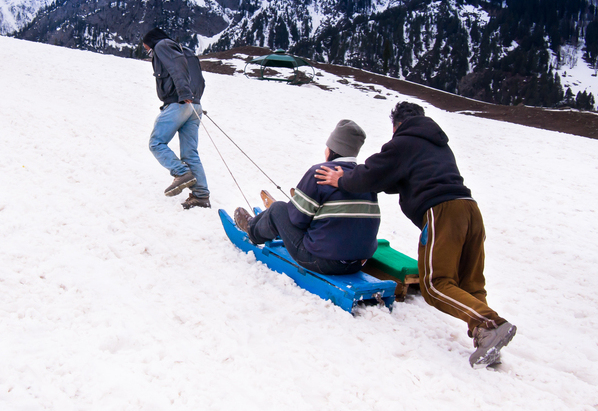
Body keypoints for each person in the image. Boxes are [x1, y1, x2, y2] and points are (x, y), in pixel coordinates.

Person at [314, 102, 516, 368]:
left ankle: (491, 324)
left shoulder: (403, 143)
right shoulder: (437, 143)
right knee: (471, 284)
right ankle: (487, 337)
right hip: (470, 210)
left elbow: (371, 174)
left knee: (434, 284)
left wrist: (340, 180)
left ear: (396, 125)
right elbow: (396, 178)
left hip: (443, 212)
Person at [233, 120, 380, 275]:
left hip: (323, 261)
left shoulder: (320, 172)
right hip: (358, 262)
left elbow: (297, 219)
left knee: (278, 209)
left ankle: (252, 230)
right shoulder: (363, 178)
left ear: (333, 149)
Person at [142, 28, 210, 209]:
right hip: (194, 105)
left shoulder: (162, 45)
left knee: (156, 143)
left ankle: (182, 173)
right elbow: (200, 80)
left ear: (153, 42)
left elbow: (176, 67)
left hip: (178, 103)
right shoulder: (185, 51)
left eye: (148, 50)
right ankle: (201, 196)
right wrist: (194, 99)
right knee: (190, 153)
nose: (150, 54)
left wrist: (183, 93)